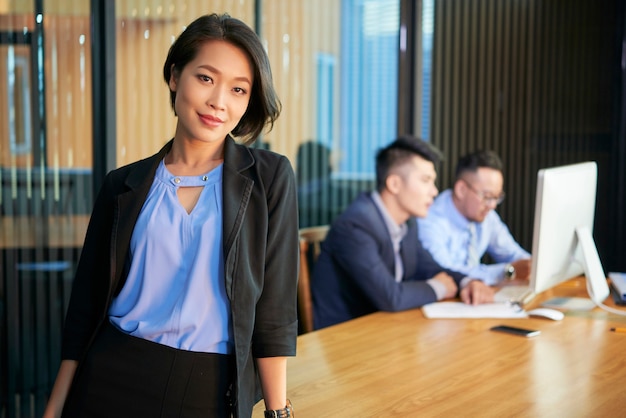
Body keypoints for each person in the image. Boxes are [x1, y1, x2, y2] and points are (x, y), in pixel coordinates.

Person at [43, 13, 298, 418]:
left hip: (210, 387)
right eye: (206, 78)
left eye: (238, 89)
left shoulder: (270, 179)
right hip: (110, 376)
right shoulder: (121, 185)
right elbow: (84, 311)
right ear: (176, 76)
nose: (219, 102)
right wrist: (55, 407)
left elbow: (274, 314)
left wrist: (278, 411)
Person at [311, 135, 494, 330]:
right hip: (343, 339)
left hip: (385, 330)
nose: (434, 191)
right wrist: (438, 287)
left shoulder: (408, 224)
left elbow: (430, 267)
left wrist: (467, 282)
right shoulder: (355, 226)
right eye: (426, 181)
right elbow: (390, 297)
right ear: (394, 184)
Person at [417, 150, 531, 286]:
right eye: (487, 196)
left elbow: (512, 253)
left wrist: (530, 265)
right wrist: (507, 271)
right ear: (461, 190)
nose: (492, 205)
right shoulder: (429, 220)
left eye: (497, 197)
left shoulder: (486, 216)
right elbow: (447, 273)